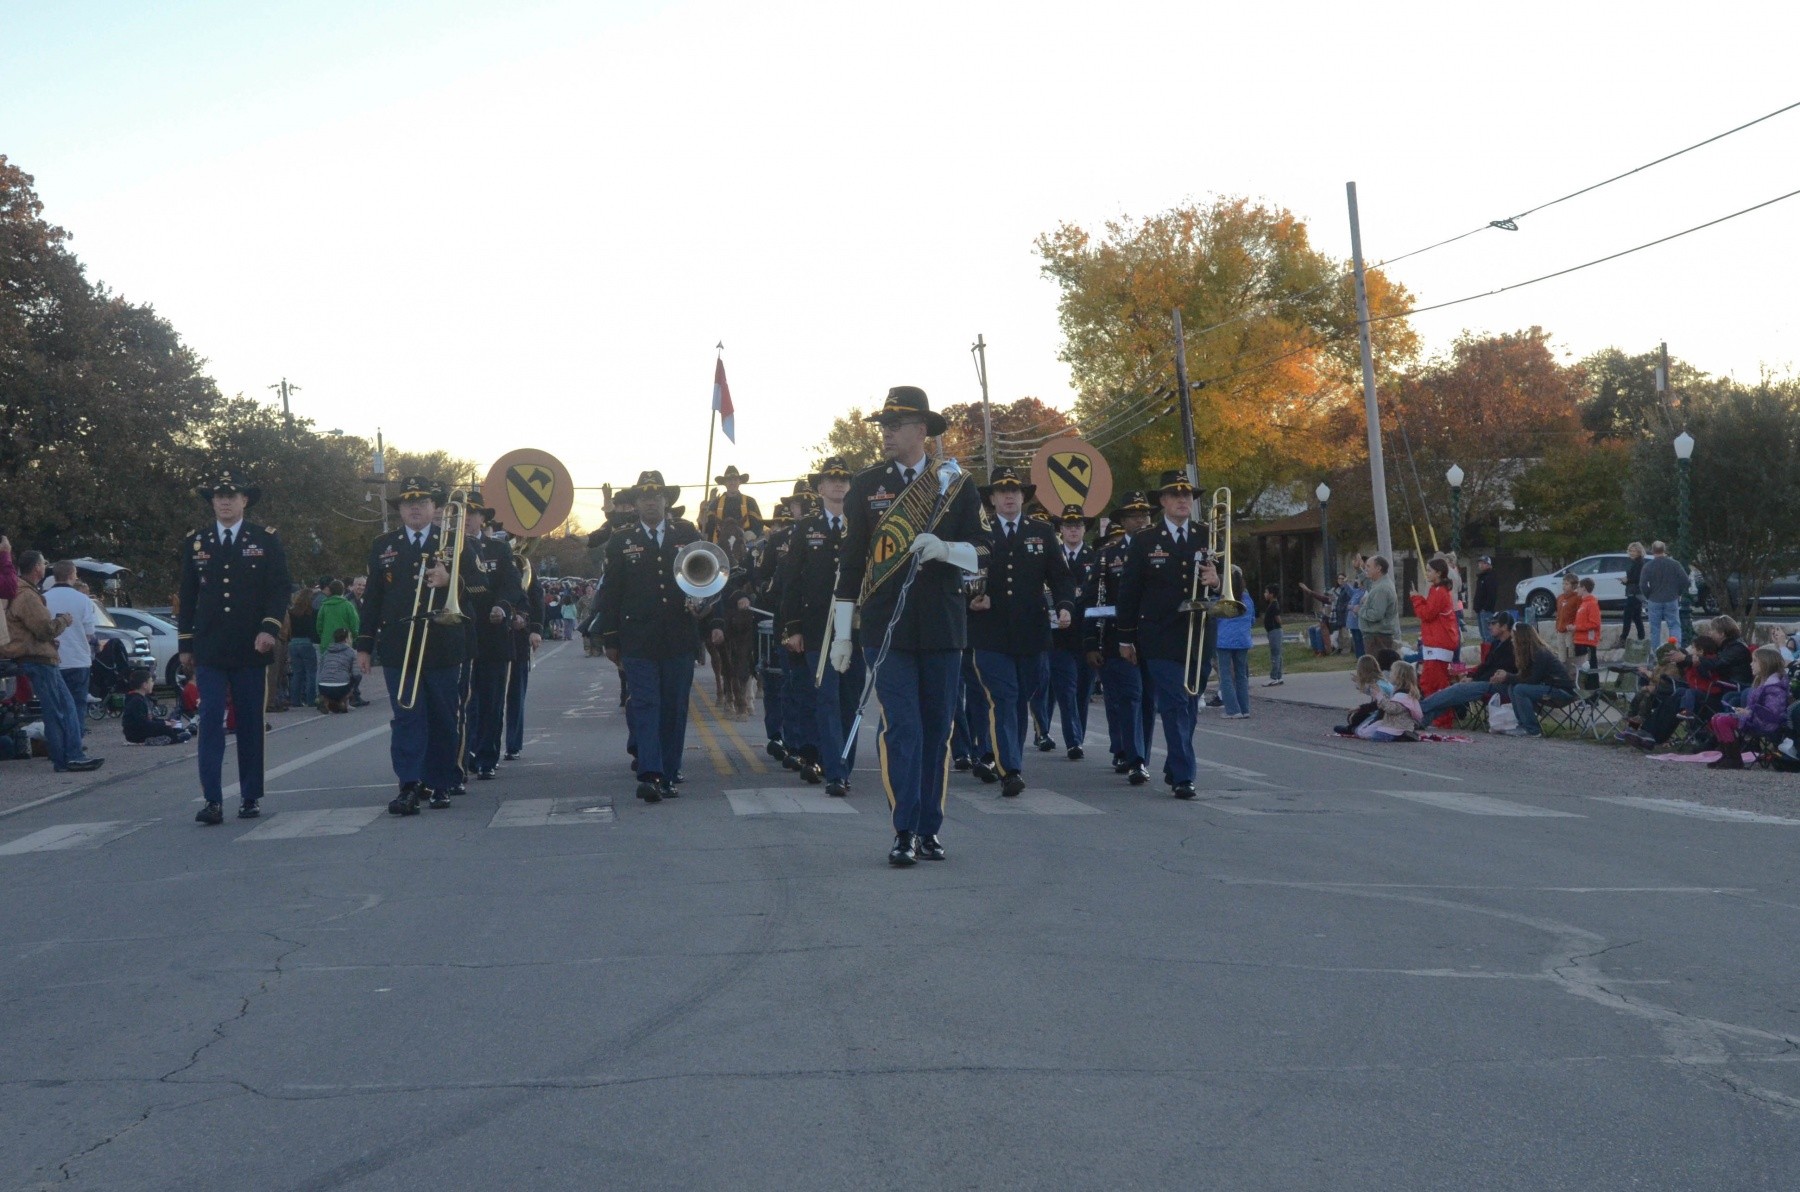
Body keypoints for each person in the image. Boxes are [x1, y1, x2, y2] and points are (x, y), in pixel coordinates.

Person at [830, 386, 984, 865]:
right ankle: (903, 830)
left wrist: (946, 549)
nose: (887, 434)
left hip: (942, 624)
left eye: (896, 426)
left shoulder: (957, 484)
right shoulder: (867, 485)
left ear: (922, 429)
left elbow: (983, 550)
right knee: (904, 728)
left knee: (938, 730)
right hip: (886, 628)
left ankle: (929, 828)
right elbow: (852, 561)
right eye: (884, 426)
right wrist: (841, 632)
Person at [357, 475, 485, 815]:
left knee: (443, 716)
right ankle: (410, 784)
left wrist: (449, 581)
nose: (415, 507)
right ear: (400, 509)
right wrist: (365, 644)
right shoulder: (384, 545)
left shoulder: (456, 542)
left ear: (436, 508)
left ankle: (441, 782)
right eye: (408, 502)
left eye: (423, 502)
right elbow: (373, 598)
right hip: (400, 642)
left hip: (442, 642)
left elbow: (479, 589)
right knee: (407, 716)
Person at [598, 470, 724, 803]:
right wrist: (610, 638)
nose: (651, 501)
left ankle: (669, 771)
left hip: (679, 635)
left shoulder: (687, 532)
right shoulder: (621, 540)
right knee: (645, 704)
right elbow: (610, 592)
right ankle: (651, 774)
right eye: (644, 497)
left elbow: (706, 579)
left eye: (656, 496)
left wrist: (705, 608)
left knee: (674, 707)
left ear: (666, 501)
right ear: (636, 502)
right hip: (637, 637)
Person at [178, 470, 290, 821]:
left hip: (250, 646)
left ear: (245, 500)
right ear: (212, 502)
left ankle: (250, 795)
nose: (225, 501)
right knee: (210, 718)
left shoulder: (265, 539)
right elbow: (188, 594)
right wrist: (185, 643)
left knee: (250, 723)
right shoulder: (197, 541)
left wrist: (269, 628)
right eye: (218, 496)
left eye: (232, 495)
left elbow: (278, 588)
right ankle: (212, 799)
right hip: (210, 646)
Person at [967, 467, 1076, 797]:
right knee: (1005, 697)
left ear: (1023, 496)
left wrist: (1065, 605)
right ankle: (1010, 768)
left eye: (1014, 489)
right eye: (1002, 490)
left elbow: (1060, 575)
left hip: (1032, 631)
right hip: (990, 633)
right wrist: (970, 601)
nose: (1009, 494)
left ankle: (1009, 758)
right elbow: (959, 578)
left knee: (1022, 696)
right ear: (992, 498)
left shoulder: (1041, 531)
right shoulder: (977, 533)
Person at [1116, 471, 1220, 800]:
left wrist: (1216, 580)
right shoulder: (1146, 540)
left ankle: (1176, 763)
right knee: (1175, 702)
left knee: (1190, 702)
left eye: (1187, 495)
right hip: (1159, 634)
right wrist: (1125, 637)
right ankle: (1184, 777)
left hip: (1200, 633)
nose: (1182, 500)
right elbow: (1129, 592)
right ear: (1161, 501)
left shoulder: (1209, 535)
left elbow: (1236, 586)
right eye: (1175, 495)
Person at [779, 456, 861, 796]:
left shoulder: (863, 524)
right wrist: (793, 627)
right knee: (826, 699)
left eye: (844, 478)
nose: (839, 483)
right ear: (820, 487)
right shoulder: (805, 528)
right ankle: (835, 771)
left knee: (850, 700)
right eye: (831, 478)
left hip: (854, 628)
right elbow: (790, 581)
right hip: (817, 629)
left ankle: (845, 763)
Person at [4, 550, 102, 772]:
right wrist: (63, 621)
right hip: (40, 659)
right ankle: (72, 756)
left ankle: (62, 758)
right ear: (37, 568)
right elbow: (44, 629)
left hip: (36, 655)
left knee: (56, 709)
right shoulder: (27, 595)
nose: (44, 566)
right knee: (63, 708)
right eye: (43, 563)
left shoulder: (23, 592)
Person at [458, 491, 522, 782]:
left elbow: (512, 586)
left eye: (473, 512)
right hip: (459, 635)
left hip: (493, 633)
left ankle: (486, 757)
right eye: (462, 512)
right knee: (464, 701)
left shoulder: (498, 549)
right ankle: (464, 753)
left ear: (483, 518)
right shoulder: (447, 549)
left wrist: (502, 606)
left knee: (492, 701)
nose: (468, 518)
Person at [1088, 493, 1152, 782]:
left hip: (1154, 637)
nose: (1142, 521)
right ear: (1123, 522)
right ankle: (1134, 757)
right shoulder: (1108, 556)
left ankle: (1140, 755)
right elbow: (1091, 602)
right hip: (1116, 637)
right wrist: (1091, 643)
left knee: (1147, 700)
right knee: (1129, 697)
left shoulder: (1160, 548)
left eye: (1146, 516)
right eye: (1135, 516)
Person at [1047, 503, 1098, 757]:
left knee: (1083, 690)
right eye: (1068, 525)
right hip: (1058, 634)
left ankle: (1079, 733)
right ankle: (1073, 740)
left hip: (1086, 633)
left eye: (1078, 525)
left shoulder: (1095, 556)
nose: (1073, 530)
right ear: (1061, 529)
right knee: (1065, 689)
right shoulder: (1053, 555)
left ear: (1084, 528)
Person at [1414, 612, 1518, 722]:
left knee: (1458, 689)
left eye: (1493, 623)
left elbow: (1499, 670)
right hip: (1486, 681)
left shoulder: (1512, 646)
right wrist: (1471, 676)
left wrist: (1474, 680)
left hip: (1499, 685)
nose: (1489, 626)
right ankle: (1422, 720)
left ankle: (1418, 708)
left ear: (1504, 627)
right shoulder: (1496, 643)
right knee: (1454, 693)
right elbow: (1485, 665)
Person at [43, 559, 99, 746]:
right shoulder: (83, 600)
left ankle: (56, 745)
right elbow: (90, 633)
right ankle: (75, 743)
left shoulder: (44, 599)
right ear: (71, 575)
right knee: (77, 704)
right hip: (78, 659)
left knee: (55, 706)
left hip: (52, 659)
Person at [1706, 645, 1788, 768]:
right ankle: (1727, 755)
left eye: (1755, 661)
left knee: (1723, 720)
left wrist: (1749, 712)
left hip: (1764, 724)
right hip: (1754, 719)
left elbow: (1772, 713)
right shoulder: (1761, 683)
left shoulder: (1774, 688)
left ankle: (1734, 759)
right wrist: (1746, 711)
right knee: (1716, 718)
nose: (1751, 664)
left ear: (1766, 664)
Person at [1493, 622, 1573, 737]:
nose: (1512, 640)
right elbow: (1525, 677)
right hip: (1548, 688)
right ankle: (1522, 724)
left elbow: (1531, 680)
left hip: (1561, 691)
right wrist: (1507, 677)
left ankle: (1532, 730)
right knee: (1512, 687)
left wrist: (1508, 677)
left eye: (1514, 637)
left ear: (1521, 639)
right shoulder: (1530, 653)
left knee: (1520, 690)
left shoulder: (1540, 653)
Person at [1410, 557, 1459, 728]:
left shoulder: (1439, 591)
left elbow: (1427, 614)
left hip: (1439, 643)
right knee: (1431, 682)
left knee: (1435, 683)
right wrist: (1420, 599)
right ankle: (1438, 718)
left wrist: (1416, 599)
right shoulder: (1436, 589)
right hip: (1435, 642)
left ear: (1438, 573)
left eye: (1430, 570)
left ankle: (1442, 720)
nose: (1427, 573)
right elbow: (1430, 610)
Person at [1214, 573, 1254, 719]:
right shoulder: (1248, 600)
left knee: (1225, 676)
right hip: (1243, 640)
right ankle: (1245, 708)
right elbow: (1252, 619)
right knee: (1241, 675)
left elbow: (1216, 618)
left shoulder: (1223, 600)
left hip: (1224, 640)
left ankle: (1232, 709)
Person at [1357, 659, 1422, 742]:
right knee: (1363, 731)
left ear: (1399, 676)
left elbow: (1392, 709)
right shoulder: (1399, 691)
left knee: (1374, 736)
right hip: (1393, 723)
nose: (1390, 674)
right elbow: (1385, 706)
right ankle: (1403, 735)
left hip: (1396, 728)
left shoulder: (1402, 695)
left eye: (1392, 671)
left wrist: (1380, 696)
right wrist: (1378, 696)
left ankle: (1402, 736)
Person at [122, 669, 192, 744]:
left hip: (142, 729)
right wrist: (164, 724)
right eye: (151, 681)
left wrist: (166, 721)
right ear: (145, 685)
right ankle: (174, 738)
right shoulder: (136, 701)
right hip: (135, 733)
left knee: (174, 727)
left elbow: (151, 719)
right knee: (166, 728)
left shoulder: (142, 698)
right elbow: (142, 723)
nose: (153, 683)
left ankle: (175, 734)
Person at [1640, 541, 1688, 646]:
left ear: (1652, 551)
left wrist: (1649, 595)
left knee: (1655, 628)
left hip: (1654, 599)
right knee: (1674, 625)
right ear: (1664, 550)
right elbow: (1685, 580)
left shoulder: (1648, 566)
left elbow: (1643, 585)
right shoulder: (1674, 564)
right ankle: (1675, 649)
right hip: (1671, 598)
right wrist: (1677, 592)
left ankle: (1657, 654)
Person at [701, 464, 765, 541]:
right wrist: (703, 512)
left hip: (744, 545)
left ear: (740, 482)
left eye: (735, 480)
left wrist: (751, 534)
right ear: (724, 483)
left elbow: (758, 525)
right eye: (729, 480)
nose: (732, 482)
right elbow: (706, 528)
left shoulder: (750, 502)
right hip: (720, 546)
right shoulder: (715, 503)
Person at [1333, 655, 1393, 737]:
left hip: (1383, 715)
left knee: (1355, 716)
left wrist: (1360, 708)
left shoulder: (1376, 685)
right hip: (1383, 711)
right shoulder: (1382, 681)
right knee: (1354, 715)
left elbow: (1377, 705)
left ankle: (1352, 729)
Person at [1357, 555, 1400, 656]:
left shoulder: (1382, 588)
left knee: (1376, 669)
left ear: (1378, 568)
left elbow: (1376, 614)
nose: (1365, 569)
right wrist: (1358, 570)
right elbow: (1369, 584)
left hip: (1377, 637)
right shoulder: (1379, 583)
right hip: (1377, 636)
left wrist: (1360, 610)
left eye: (1368, 566)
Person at [285, 586, 319, 709]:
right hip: (307, 642)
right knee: (311, 672)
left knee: (297, 673)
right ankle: (311, 699)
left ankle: (295, 700)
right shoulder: (312, 612)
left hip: (293, 643)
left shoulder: (291, 612)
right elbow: (314, 629)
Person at [317, 628, 356, 712]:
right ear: (346, 639)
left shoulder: (326, 652)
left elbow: (320, 670)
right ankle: (342, 702)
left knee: (328, 682)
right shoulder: (351, 652)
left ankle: (326, 700)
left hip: (323, 686)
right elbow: (357, 674)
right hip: (342, 686)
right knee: (353, 679)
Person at [1616, 542, 1647, 648]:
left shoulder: (1639, 563)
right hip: (1633, 591)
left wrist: (1626, 580)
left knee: (1627, 616)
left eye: (1634, 551)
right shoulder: (1635, 562)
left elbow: (1637, 579)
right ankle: (1641, 638)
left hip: (1634, 592)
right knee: (1637, 617)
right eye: (1630, 551)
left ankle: (1623, 639)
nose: (1632, 553)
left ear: (1639, 552)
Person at [1573, 577, 1603, 670]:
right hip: (1579, 640)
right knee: (1581, 669)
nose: (1576, 589)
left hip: (1587, 642)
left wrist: (1576, 627)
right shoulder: (1583, 603)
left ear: (1584, 588)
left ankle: (1593, 685)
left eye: (1578, 587)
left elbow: (1595, 624)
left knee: (1589, 669)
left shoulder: (1592, 604)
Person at [1553, 573, 1580, 663]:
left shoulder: (1577, 598)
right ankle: (1562, 668)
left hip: (1570, 630)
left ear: (1574, 586)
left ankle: (1571, 669)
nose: (1564, 586)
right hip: (1560, 629)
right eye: (1563, 583)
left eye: (1567, 584)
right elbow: (1559, 614)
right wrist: (1557, 626)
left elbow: (1579, 614)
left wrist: (1575, 626)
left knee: (1571, 650)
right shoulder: (1560, 598)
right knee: (1561, 651)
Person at [1260, 585, 1284, 687]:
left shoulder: (1274, 605)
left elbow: (1278, 619)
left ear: (1271, 594)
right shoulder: (1271, 604)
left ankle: (1274, 677)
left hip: (1274, 631)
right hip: (1272, 631)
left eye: (1266, 592)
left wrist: (1278, 625)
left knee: (1275, 654)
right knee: (1277, 654)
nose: (1264, 594)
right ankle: (1278, 676)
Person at [1472, 556, 1499, 644]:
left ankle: (1490, 654)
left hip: (1486, 611)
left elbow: (1492, 595)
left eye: (1483, 563)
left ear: (1488, 564)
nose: (1480, 565)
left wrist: (1486, 608)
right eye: (1479, 563)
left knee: (1488, 635)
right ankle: (1485, 654)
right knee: (1483, 635)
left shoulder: (1490, 577)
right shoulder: (1481, 578)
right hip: (1480, 610)